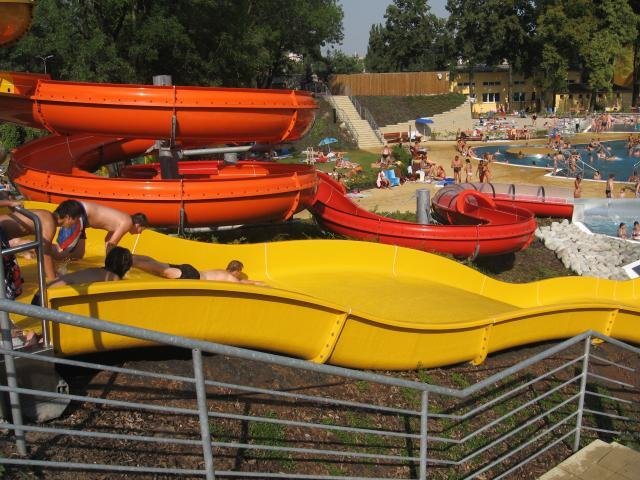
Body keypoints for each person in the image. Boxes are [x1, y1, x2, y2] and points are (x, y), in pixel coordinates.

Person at [31, 246, 133, 306]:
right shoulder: (113, 278)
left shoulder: (98, 271)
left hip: (40, 294)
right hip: (47, 300)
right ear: (125, 267)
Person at [53, 200, 147, 260]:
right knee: (61, 253)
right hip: (79, 214)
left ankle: (44, 250)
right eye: (141, 230)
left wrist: (107, 258)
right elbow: (111, 244)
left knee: (77, 256)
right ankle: (41, 250)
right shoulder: (127, 222)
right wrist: (110, 266)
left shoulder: (123, 219)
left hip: (82, 214)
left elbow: (107, 241)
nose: (139, 233)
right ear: (138, 225)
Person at [132, 255, 264, 285]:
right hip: (192, 275)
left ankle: (131, 257)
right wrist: (256, 283)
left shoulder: (221, 271)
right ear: (237, 271)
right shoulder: (230, 278)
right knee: (162, 270)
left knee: (157, 264)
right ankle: (127, 259)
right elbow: (240, 284)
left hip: (190, 269)